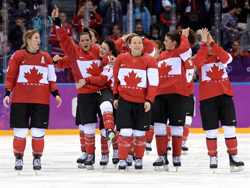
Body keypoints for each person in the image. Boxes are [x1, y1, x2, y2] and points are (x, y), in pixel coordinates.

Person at [51, 5, 115, 170]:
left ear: (93, 40)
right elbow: (63, 39)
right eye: (83, 40)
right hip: (85, 93)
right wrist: (57, 22)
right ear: (79, 42)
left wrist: (114, 60)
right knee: (88, 126)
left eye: (88, 40)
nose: (85, 42)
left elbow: (111, 55)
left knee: (106, 108)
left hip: (101, 90)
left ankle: (110, 135)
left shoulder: (99, 51)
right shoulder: (73, 52)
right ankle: (90, 154)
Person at [2, 30, 62, 174]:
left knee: (38, 131)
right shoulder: (18, 55)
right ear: (28, 40)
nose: (39, 40)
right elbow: (10, 77)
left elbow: (51, 78)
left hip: (41, 101)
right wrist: (7, 93)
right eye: (36, 38)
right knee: (20, 132)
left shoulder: (46, 57)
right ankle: (18, 157)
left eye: (39, 38)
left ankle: (37, 158)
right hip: (20, 101)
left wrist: (56, 94)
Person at [192, 28, 244, 173]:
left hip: (225, 97)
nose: (209, 47)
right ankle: (212, 156)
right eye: (207, 45)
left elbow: (227, 58)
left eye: (211, 44)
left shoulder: (223, 57)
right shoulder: (200, 58)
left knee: (229, 129)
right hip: (208, 100)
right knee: (211, 131)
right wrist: (204, 44)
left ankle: (233, 156)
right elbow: (198, 62)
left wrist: (212, 44)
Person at [152, 27, 196, 171]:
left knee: (176, 126)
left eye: (166, 40)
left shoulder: (182, 53)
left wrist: (183, 36)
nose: (164, 43)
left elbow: (185, 47)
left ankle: (176, 156)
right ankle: (161, 155)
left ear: (174, 43)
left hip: (177, 94)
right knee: (159, 125)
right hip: (159, 94)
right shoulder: (162, 54)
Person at [113, 34, 159, 171]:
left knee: (139, 133)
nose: (137, 45)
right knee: (125, 131)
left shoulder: (150, 60)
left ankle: (138, 159)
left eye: (139, 43)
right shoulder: (121, 58)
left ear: (143, 46)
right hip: (124, 100)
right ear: (129, 45)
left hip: (142, 102)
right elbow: (116, 79)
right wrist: (115, 96)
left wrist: (149, 100)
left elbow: (153, 83)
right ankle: (122, 159)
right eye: (134, 43)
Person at [76, 39, 120, 168]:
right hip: (107, 94)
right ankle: (106, 152)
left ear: (110, 51)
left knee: (114, 126)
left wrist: (86, 80)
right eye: (100, 47)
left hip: (114, 95)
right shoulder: (105, 57)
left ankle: (117, 151)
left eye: (104, 48)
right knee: (104, 126)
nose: (100, 50)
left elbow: (103, 79)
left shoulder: (109, 58)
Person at [49, 11, 75, 83]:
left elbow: (74, 39)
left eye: (63, 16)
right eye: (60, 16)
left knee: (67, 72)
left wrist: (69, 39)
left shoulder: (69, 27)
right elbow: (50, 40)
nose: (62, 18)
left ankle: (68, 83)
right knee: (56, 70)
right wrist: (58, 39)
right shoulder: (53, 27)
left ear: (66, 17)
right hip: (56, 53)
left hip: (66, 53)